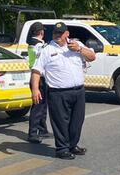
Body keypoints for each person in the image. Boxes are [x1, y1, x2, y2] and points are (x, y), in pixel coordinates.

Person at [30, 22, 96, 160]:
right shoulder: (46, 50)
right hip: (58, 93)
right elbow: (36, 71)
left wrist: (79, 49)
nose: (57, 36)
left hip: (78, 91)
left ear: (67, 34)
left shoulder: (76, 45)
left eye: (60, 34)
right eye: (55, 33)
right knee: (60, 122)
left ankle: (72, 145)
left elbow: (92, 57)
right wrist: (35, 89)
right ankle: (62, 149)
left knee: (77, 121)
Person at [26, 22, 51, 144]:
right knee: (38, 106)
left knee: (43, 105)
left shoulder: (32, 43)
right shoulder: (39, 45)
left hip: (38, 77)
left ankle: (42, 130)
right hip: (38, 78)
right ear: (41, 32)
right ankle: (32, 134)